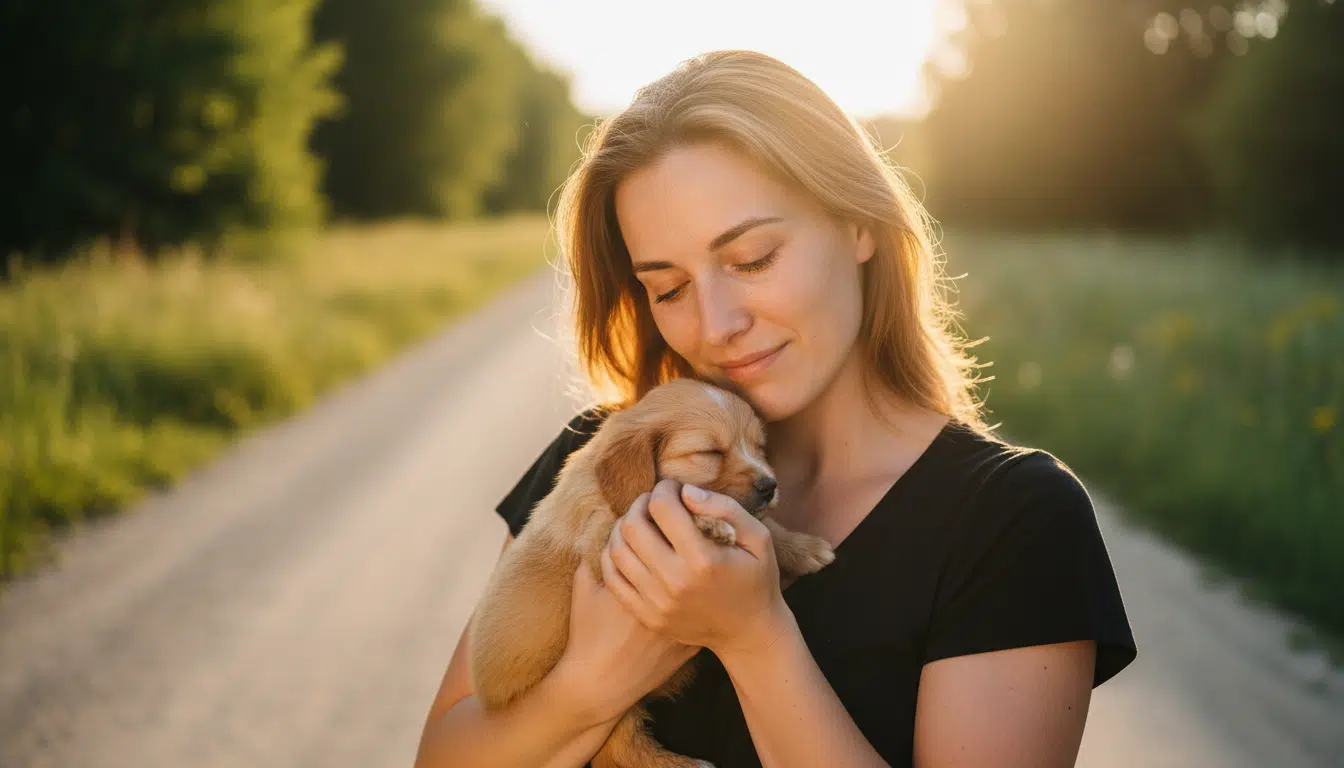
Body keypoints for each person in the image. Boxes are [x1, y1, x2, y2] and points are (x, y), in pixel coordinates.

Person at [415, 49, 1136, 768]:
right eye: (667, 288)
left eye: (753, 258)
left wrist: (754, 636)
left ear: (859, 224)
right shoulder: (605, 457)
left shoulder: (1011, 521)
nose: (716, 323)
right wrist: (594, 683)